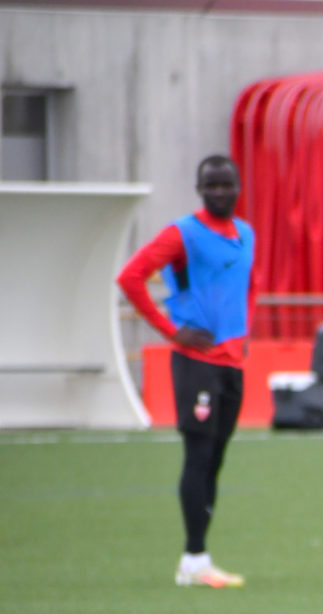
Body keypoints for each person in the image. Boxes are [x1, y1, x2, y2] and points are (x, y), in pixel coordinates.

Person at [117, 155, 257, 588]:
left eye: (226, 184)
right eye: (210, 185)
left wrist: (245, 331)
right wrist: (173, 332)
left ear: (238, 188)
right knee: (198, 456)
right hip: (196, 364)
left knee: (215, 458)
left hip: (232, 365)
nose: (219, 192)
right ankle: (194, 558)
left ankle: (198, 560)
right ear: (199, 189)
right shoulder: (183, 233)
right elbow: (131, 277)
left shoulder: (246, 234)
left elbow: (249, 287)